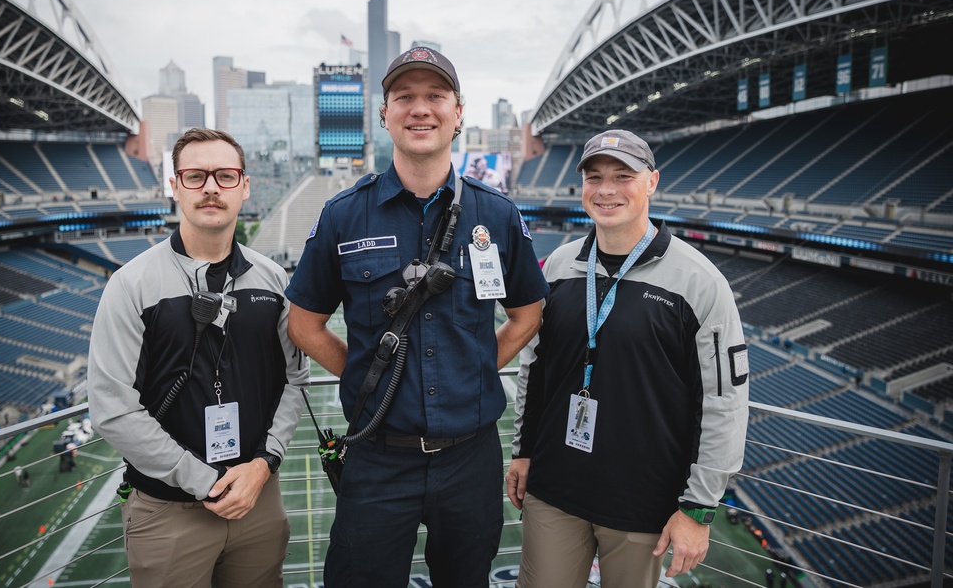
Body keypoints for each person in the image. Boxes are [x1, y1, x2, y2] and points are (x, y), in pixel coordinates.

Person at [286, 47, 549, 588]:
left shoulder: (497, 214)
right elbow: (304, 324)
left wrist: (475, 370)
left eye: (435, 96)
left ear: (458, 112)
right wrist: (371, 379)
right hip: (378, 457)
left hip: (470, 458)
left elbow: (527, 315)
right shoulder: (344, 213)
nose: (419, 109)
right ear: (384, 115)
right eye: (404, 97)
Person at [506, 130, 749, 586]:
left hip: (643, 501)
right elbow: (534, 371)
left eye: (623, 176)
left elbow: (725, 401)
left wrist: (698, 507)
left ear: (652, 182)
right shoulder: (558, 266)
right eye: (594, 177)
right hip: (555, 489)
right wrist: (522, 451)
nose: (607, 189)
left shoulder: (699, 281)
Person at [87, 127, 309, 588]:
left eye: (225, 176)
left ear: (245, 186)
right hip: (169, 511)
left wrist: (264, 464)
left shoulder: (271, 279)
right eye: (195, 175)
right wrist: (205, 480)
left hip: (258, 498)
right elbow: (112, 409)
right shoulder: (130, 285)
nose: (211, 187)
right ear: (175, 187)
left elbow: (295, 379)